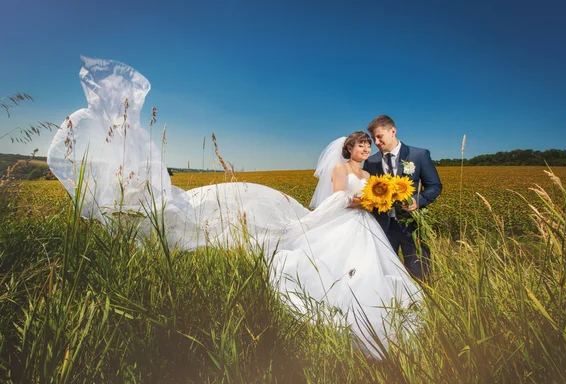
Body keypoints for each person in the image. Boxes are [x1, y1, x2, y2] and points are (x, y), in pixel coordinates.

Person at [48, 57, 422, 359]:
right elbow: (341, 196)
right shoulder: (343, 169)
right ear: (350, 148)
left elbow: (378, 184)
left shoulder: (373, 168)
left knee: (373, 263)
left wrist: (383, 195)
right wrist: (366, 199)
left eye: (370, 143)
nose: (368, 148)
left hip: (366, 223)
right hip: (351, 216)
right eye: (363, 144)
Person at [363, 115, 442, 280]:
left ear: (393, 131)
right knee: (385, 273)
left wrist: (418, 201)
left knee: (419, 270)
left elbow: (434, 186)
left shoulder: (418, 155)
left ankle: (425, 303)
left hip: (412, 226)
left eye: (379, 136)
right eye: (373, 138)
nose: (376, 142)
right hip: (383, 227)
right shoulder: (371, 162)